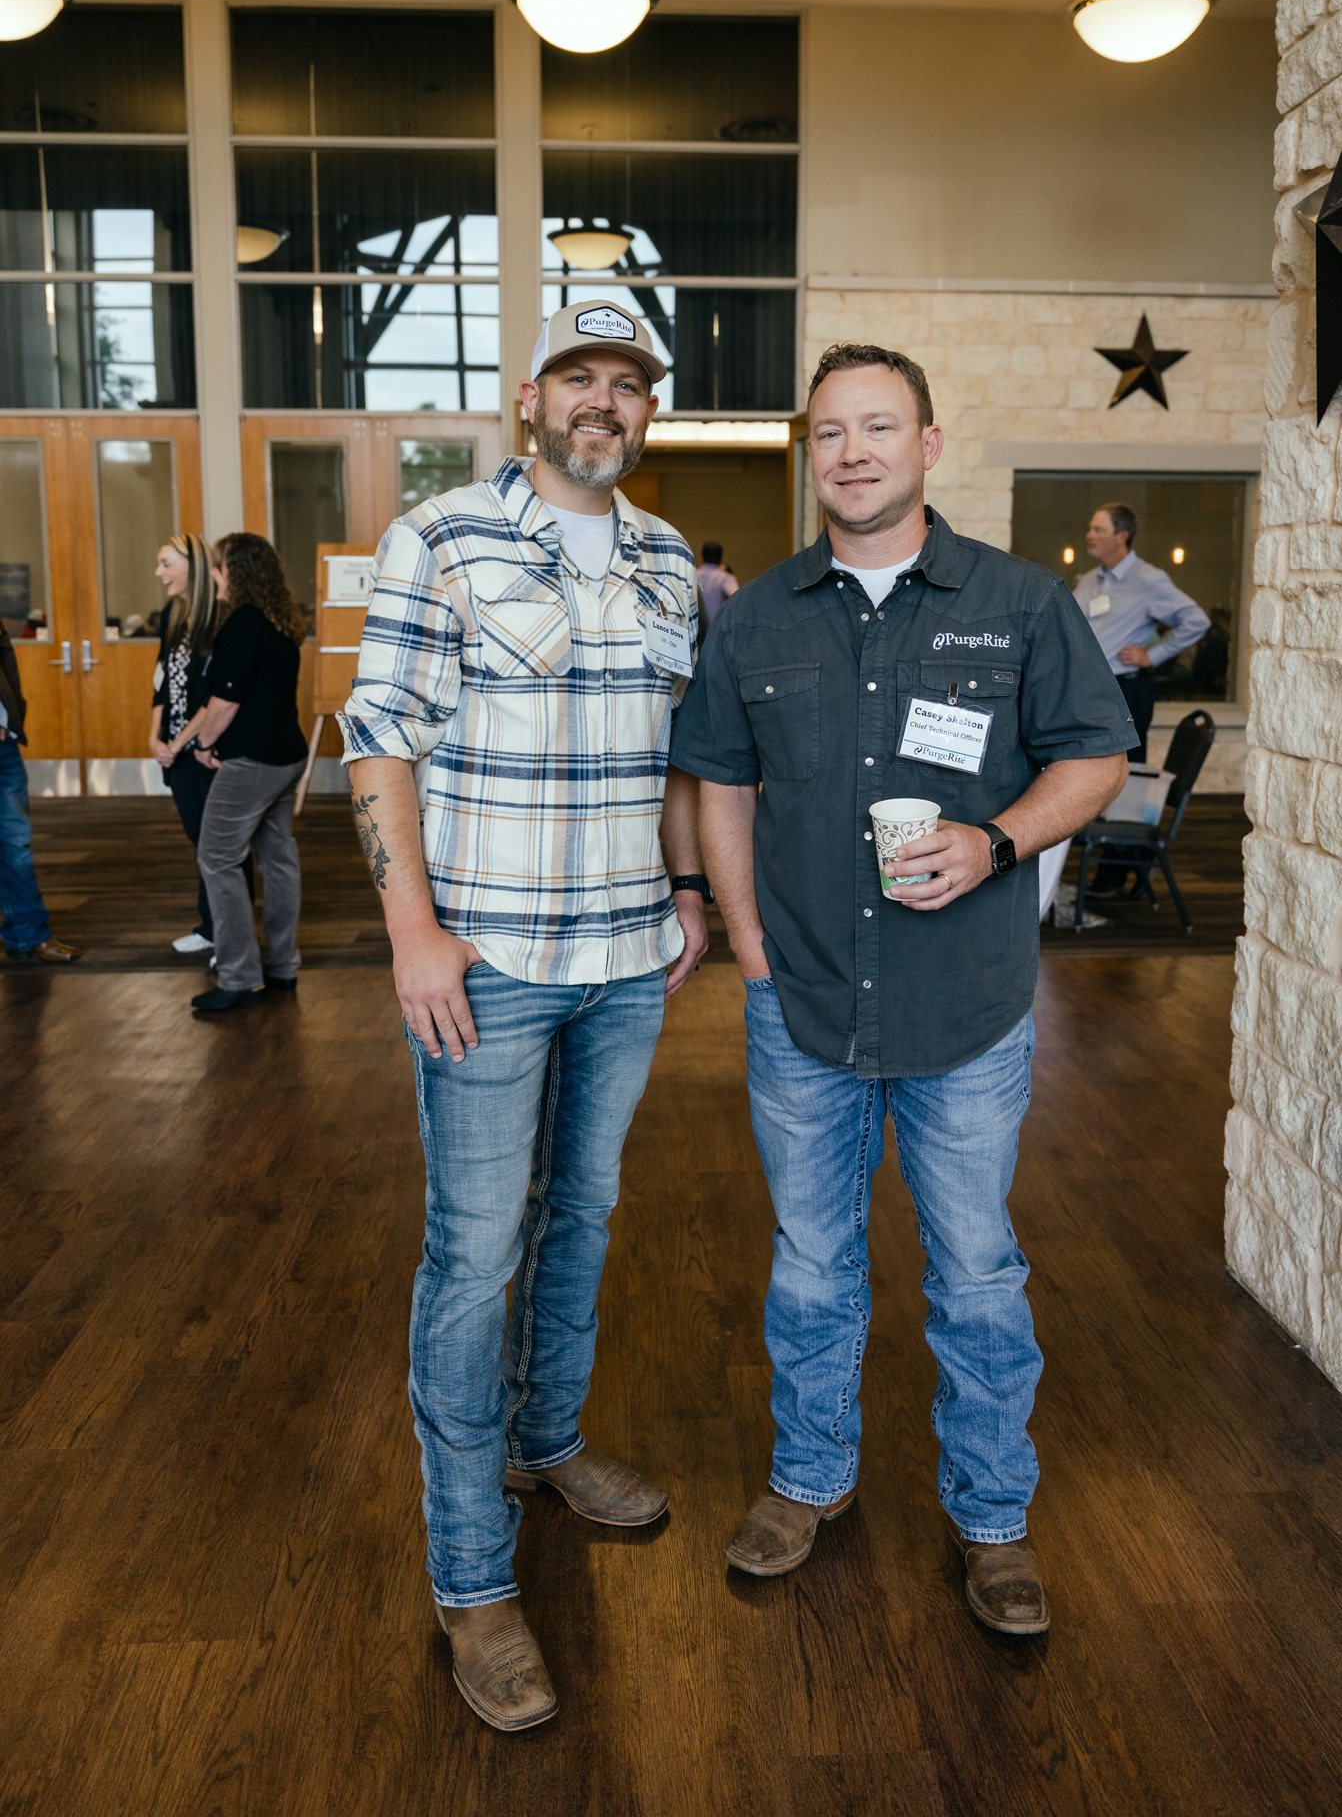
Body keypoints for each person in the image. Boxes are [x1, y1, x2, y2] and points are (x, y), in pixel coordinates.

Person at [670, 343, 1136, 1636]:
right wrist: (750, 946)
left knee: (976, 1276)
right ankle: (807, 1479)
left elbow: (1094, 757)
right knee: (810, 1269)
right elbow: (719, 785)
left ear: (927, 445)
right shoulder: (757, 616)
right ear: (807, 454)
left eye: (878, 427)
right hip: (802, 1004)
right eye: (829, 432)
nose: (853, 452)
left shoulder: (1017, 602)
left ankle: (992, 1517)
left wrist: (994, 842)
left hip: (964, 1007)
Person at [340, 298, 708, 1733]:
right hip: (487, 960)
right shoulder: (438, 539)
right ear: (530, 399)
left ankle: (545, 1442)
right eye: (579, 378)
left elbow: (674, 753)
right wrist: (412, 937)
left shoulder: (669, 558)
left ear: (646, 409)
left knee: (584, 1215)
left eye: (628, 383)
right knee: (473, 1252)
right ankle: (472, 1578)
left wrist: (686, 890)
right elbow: (380, 743)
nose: (602, 402)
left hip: (628, 959)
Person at [187, 534, 307, 1015]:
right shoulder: (281, 622)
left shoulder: (242, 623)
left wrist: (203, 743)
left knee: (217, 857)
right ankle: (282, 966)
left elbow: (225, 702)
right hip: (287, 756)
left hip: (253, 762)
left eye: (218, 567)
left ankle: (239, 976)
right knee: (278, 859)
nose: (213, 576)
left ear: (234, 572)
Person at [149, 532, 252, 957]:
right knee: (201, 842)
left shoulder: (220, 620)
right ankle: (212, 927)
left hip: (208, 751)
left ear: (192, 567)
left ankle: (232, 936)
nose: (159, 573)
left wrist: (180, 741)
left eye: (166, 564)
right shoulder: (171, 616)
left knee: (222, 846)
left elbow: (214, 697)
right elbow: (161, 684)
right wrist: (154, 737)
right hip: (175, 751)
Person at [1073, 503, 1209, 761]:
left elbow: (1196, 621)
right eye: (1090, 529)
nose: (1089, 535)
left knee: (1127, 768)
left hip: (1126, 690)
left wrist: (1152, 656)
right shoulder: (1089, 581)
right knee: (1088, 767)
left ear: (1121, 536)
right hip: (1088, 690)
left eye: (1098, 530)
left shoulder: (1148, 579)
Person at [0, 617, 79, 964]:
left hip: (4, 747)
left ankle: (28, 935)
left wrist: (13, 718)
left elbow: (8, 667)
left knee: (15, 844)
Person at [695, 541, 739, 625]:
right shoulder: (725, 578)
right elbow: (738, 599)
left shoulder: (693, 575)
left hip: (696, 629)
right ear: (721, 557)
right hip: (717, 627)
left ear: (702, 556)